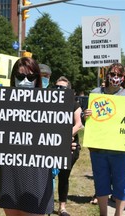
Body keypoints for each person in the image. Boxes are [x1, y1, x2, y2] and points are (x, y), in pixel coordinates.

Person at [0, 57, 54, 216]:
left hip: (35, 170)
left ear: (37, 79)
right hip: (8, 170)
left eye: (30, 77)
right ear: (13, 78)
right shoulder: (1, 102)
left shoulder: (51, 105)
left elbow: (56, 136)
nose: (25, 81)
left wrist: (67, 144)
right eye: (20, 76)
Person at [84, 63, 125, 216]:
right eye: (112, 74)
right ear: (106, 75)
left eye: (119, 75)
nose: (115, 78)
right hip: (99, 149)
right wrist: (86, 115)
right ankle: (103, 213)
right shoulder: (96, 93)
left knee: (121, 184)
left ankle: (118, 214)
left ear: (123, 77)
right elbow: (88, 119)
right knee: (101, 183)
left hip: (121, 150)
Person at [53, 76, 83, 216]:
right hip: (50, 145)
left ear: (69, 90)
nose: (59, 90)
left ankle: (62, 207)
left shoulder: (74, 103)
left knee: (64, 177)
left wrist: (63, 137)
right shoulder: (48, 102)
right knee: (48, 176)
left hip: (69, 146)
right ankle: (45, 203)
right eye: (57, 87)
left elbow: (78, 124)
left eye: (63, 88)